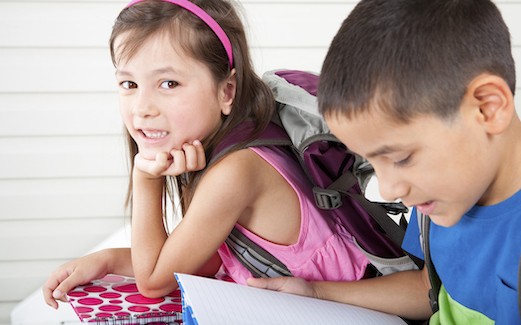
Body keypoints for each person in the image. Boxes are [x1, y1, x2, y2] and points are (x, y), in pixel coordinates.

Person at [42, 0, 370, 310]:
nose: (142, 108)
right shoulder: (227, 145)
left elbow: (155, 282)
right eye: (128, 84)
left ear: (227, 91)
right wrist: (108, 259)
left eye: (169, 83)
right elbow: (205, 261)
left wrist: (145, 178)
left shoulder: (236, 170)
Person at [248, 0, 521, 323]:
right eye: (374, 163)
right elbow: (427, 288)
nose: (390, 190)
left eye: (401, 158)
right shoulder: (443, 193)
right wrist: (315, 293)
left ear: (487, 108)